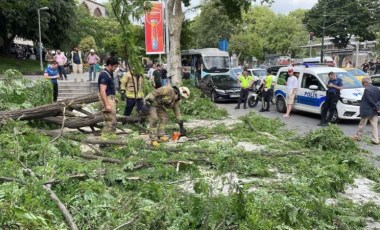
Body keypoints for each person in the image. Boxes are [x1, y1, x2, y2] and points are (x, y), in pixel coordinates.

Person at [351, 77, 380, 145]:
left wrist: (375, 106)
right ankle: (375, 139)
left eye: (363, 84)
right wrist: (377, 107)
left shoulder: (367, 90)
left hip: (367, 110)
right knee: (374, 125)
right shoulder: (377, 89)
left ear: (366, 83)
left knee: (362, 124)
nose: (363, 86)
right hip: (374, 110)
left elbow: (369, 100)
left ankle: (358, 137)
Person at [98, 57, 119, 136]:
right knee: (109, 122)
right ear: (110, 65)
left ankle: (112, 141)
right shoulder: (104, 74)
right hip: (107, 100)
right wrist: (107, 104)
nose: (116, 68)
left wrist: (114, 97)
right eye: (115, 66)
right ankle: (104, 143)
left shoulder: (109, 73)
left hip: (110, 98)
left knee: (113, 121)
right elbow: (102, 90)